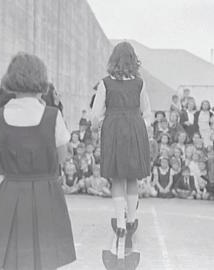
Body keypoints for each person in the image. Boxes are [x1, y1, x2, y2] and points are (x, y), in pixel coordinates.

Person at [0, 53, 76, 270]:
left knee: (10, 257)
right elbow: (61, 156)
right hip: (46, 192)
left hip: (10, 191)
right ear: (41, 80)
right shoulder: (53, 116)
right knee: (45, 259)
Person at [92, 41, 151, 268]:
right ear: (133, 60)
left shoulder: (105, 83)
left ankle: (120, 222)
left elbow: (96, 114)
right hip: (135, 127)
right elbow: (147, 112)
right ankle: (132, 220)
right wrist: (138, 126)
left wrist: (100, 126)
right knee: (132, 177)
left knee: (117, 176)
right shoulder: (140, 83)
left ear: (114, 60)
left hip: (114, 129)